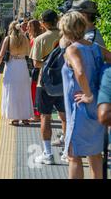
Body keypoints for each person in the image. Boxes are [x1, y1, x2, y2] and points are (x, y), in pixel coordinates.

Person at [59, 12, 106, 179]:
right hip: (97, 107)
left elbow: (79, 71)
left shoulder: (72, 49)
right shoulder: (95, 47)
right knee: (95, 154)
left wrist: (88, 95)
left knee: (74, 155)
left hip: (80, 107)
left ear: (66, 29)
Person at [29, 10, 66, 165]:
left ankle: (47, 154)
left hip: (44, 83)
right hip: (64, 82)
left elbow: (36, 63)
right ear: (57, 20)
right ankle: (67, 152)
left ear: (43, 23)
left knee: (45, 117)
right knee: (66, 116)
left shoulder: (40, 39)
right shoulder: (66, 37)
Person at [0, 21, 33, 126]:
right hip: (22, 65)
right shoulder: (25, 38)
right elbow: (29, 53)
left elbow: (1, 55)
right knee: (24, 91)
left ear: (10, 28)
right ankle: (25, 118)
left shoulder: (8, 39)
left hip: (11, 66)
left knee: (12, 91)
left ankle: (15, 118)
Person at [28, 20, 44, 122]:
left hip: (36, 68)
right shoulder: (36, 38)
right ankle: (39, 114)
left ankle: (37, 115)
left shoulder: (36, 39)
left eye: (29, 26)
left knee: (34, 91)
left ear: (34, 27)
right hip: (36, 68)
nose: (27, 28)